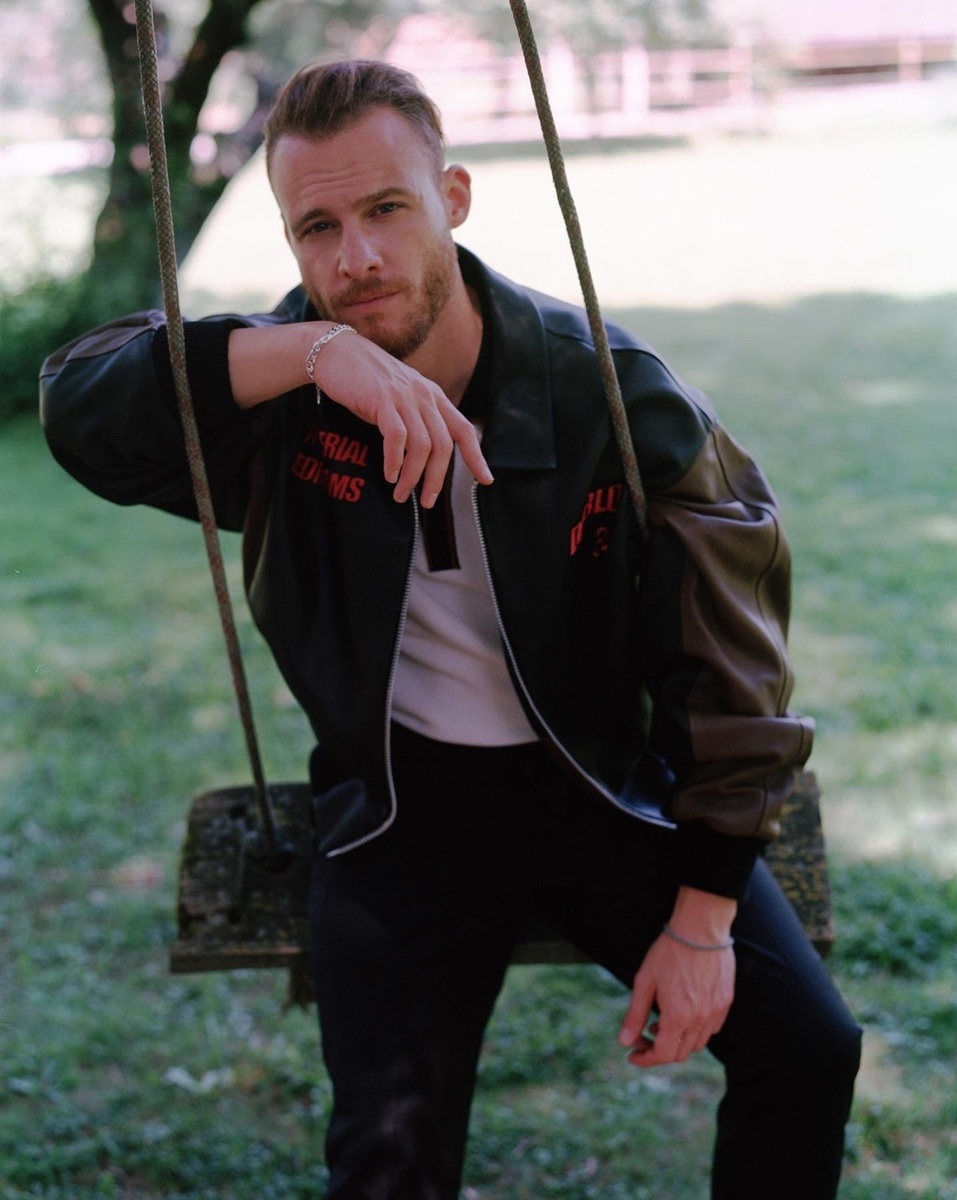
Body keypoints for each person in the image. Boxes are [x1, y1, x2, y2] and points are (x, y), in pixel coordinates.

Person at [40, 58, 860, 1200]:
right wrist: (322, 356)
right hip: (401, 805)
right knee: (386, 1159)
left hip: (605, 783)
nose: (356, 258)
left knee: (809, 1049)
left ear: (454, 198)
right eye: (317, 227)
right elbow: (78, 404)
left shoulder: (608, 394)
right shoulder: (284, 396)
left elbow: (732, 654)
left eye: (387, 209)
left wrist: (705, 914)